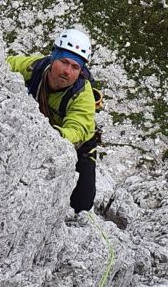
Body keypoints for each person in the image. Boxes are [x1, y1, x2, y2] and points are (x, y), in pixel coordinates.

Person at [7, 26, 99, 214]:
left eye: (75, 67)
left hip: (78, 147)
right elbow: (5, 65)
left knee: (81, 204)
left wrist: (51, 135)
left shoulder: (82, 94)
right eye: (64, 62)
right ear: (53, 58)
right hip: (42, 129)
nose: (67, 71)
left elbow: (77, 129)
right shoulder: (35, 68)